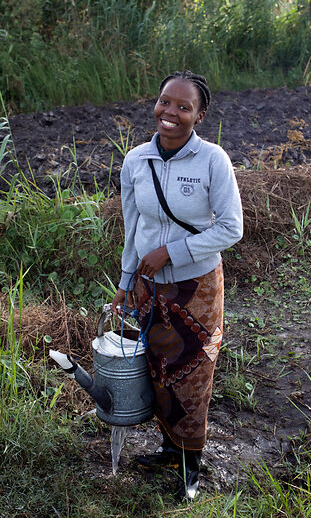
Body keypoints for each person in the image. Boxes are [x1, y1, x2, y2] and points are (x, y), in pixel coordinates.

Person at [111, 70, 243, 500]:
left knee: (193, 375)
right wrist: (127, 280)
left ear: (198, 115)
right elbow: (134, 227)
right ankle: (169, 450)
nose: (170, 113)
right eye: (165, 101)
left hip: (197, 287)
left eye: (183, 107)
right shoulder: (135, 161)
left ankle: (191, 464)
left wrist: (172, 252)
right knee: (158, 371)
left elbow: (231, 229)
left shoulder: (213, 161)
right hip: (149, 288)